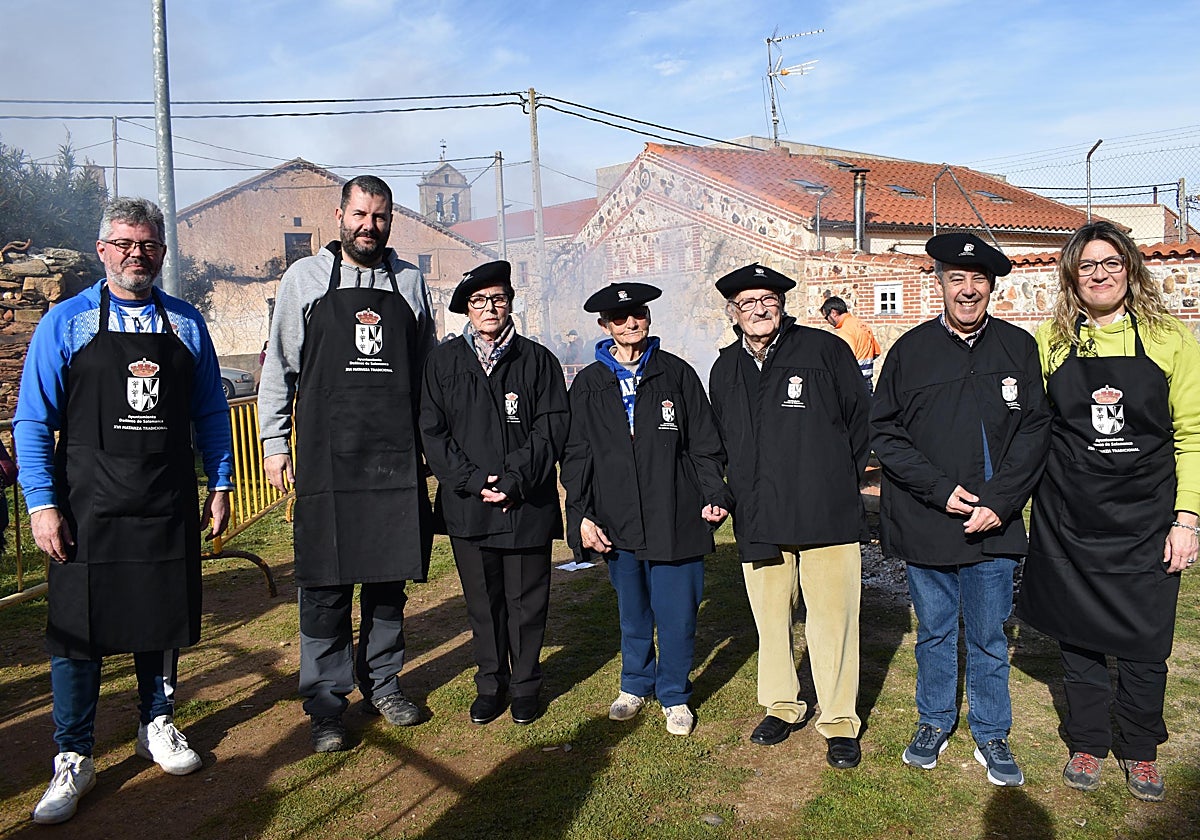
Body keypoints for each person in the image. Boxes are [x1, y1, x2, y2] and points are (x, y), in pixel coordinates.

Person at [13, 197, 233, 824]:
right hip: (85, 509)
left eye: (150, 245)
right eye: (125, 244)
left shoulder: (187, 324)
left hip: (164, 505)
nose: (138, 255)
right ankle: (73, 753)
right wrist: (41, 504)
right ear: (103, 248)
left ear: (162, 251)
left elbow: (211, 414)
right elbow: (33, 419)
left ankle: (156, 723)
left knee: (161, 622)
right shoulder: (65, 321)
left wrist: (220, 485)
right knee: (76, 635)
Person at [1018, 220, 1200, 802]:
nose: (1099, 274)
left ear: (1130, 270)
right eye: (1088, 264)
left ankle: (1141, 749)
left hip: (1148, 518)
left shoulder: (1170, 339)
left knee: (1146, 640)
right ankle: (1089, 741)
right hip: (1071, 515)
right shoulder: (1053, 340)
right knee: (1079, 637)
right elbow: (1030, 426)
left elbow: (1194, 435)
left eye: (1112, 263)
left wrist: (1188, 520)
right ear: (1073, 273)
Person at [259, 175, 436, 753]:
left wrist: (431, 445)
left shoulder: (409, 281)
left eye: (380, 217)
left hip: (394, 461)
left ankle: (383, 683)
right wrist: (274, 442)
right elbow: (279, 367)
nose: (369, 226)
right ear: (339, 216)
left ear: (391, 220)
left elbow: (428, 372)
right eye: (360, 214)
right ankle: (326, 705)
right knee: (325, 588)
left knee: (388, 583)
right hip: (326, 460)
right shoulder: (304, 279)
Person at [871, 233, 1051, 787]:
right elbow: (886, 433)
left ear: (990, 287)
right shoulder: (909, 351)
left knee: (990, 636)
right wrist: (938, 488)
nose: (967, 289)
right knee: (934, 632)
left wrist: (1000, 504)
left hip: (991, 527)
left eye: (978, 280)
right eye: (956, 279)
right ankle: (934, 721)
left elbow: (1034, 430)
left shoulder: (1017, 347)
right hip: (930, 520)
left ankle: (992, 732)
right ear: (940, 284)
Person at [707, 263, 868, 768]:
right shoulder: (725, 366)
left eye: (768, 300)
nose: (759, 309)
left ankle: (839, 719)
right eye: (748, 302)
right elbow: (720, 441)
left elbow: (860, 420)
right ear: (733, 311)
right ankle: (782, 703)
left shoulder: (824, 350)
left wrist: (837, 480)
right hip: (758, 512)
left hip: (825, 508)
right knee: (771, 619)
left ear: (782, 304)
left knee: (834, 618)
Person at [560, 282, 730, 736]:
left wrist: (715, 492)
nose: (630, 323)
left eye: (638, 315)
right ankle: (635, 684)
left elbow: (705, 446)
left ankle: (674, 693)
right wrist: (580, 515)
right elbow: (577, 456)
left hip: (676, 513)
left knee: (677, 613)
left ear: (649, 319)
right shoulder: (590, 383)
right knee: (633, 611)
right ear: (604, 326)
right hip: (617, 518)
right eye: (620, 319)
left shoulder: (676, 373)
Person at [420, 260, 568, 725]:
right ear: (466, 307)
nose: (490, 308)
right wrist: (469, 478)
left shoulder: (537, 359)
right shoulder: (444, 362)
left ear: (510, 303)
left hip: (525, 503)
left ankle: (525, 685)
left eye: (499, 299)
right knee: (483, 604)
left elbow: (552, 426)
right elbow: (432, 429)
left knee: (527, 603)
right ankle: (491, 684)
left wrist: (513, 479)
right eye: (480, 301)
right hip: (468, 506)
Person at [820, 296, 882, 395]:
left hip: (853, 384)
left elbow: (844, 361)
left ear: (833, 313)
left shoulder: (845, 331)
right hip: (867, 381)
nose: (827, 321)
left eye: (826, 317)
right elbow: (877, 352)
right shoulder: (862, 325)